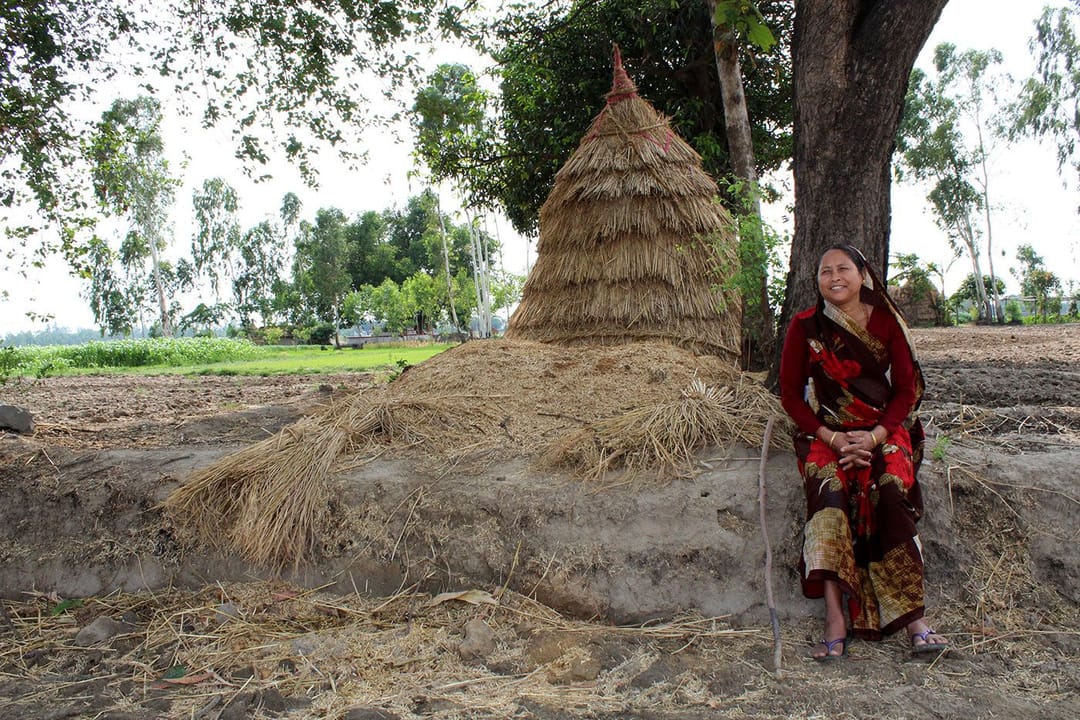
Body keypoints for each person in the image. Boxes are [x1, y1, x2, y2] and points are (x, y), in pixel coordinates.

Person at [779, 244, 949, 661]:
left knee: (890, 491)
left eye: (843, 269)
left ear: (862, 275)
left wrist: (874, 438)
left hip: (883, 428)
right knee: (829, 499)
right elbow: (790, 395)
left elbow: (907, 391)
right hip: (826, 432)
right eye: (825, 272)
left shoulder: (887, 323)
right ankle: (835, 618)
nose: (834, 277)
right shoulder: (806, 327)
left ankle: (913, 617)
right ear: (816, 281)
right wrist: (833, 439)